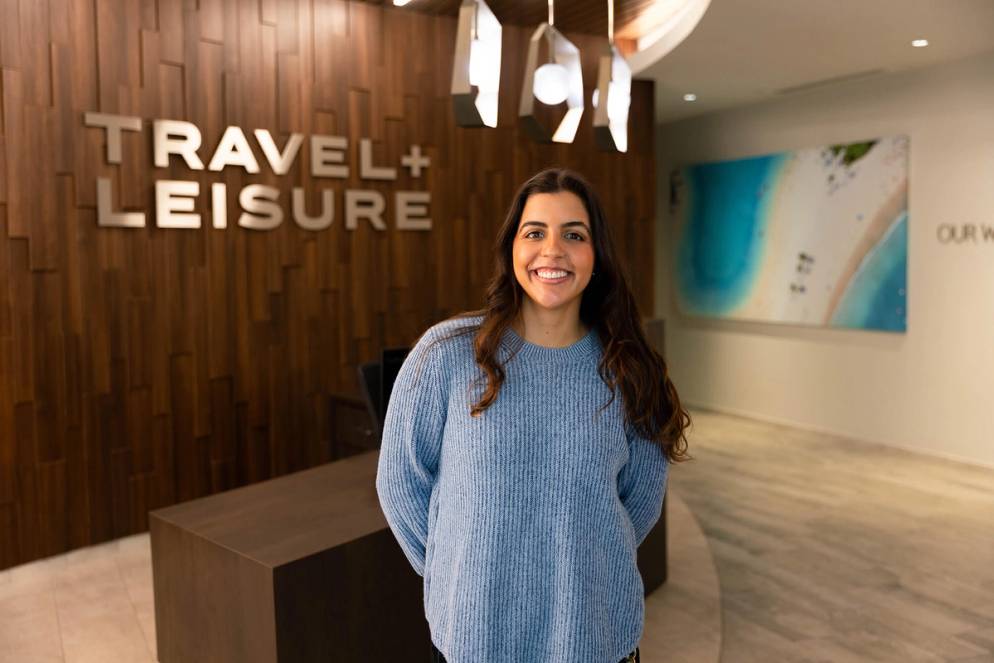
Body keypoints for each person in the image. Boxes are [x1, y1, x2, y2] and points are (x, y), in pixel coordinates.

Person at [375, 168, 691, 663]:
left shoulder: (629, 367)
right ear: (512, 250)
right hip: (475, 640)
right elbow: (399, 484)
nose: (553, 250)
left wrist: (582, 566)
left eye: (574, 235)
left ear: (596, 256)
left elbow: (639, 503)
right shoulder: (448, 354)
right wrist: (455, 575)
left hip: (594, 640)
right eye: (535, 232)